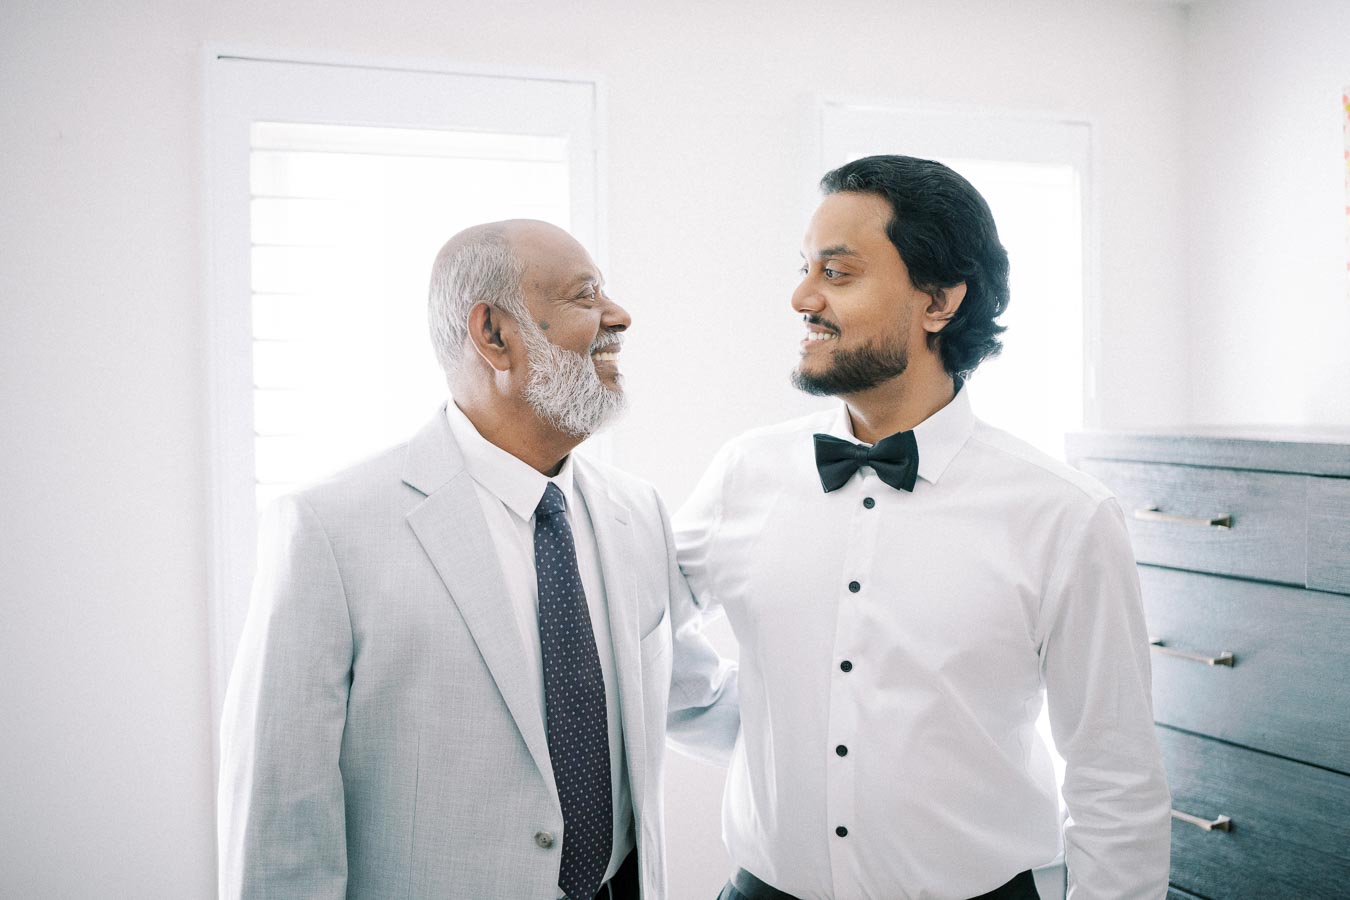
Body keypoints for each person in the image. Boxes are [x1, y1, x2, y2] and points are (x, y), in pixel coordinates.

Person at [675, 156, 1170, 900]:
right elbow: (634, 636)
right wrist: (755, 733)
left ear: (937, 301)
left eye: (837, 273)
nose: (802, 296)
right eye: (806, 268)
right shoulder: (744, 473)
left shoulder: (1065, 515)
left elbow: (1115, 775)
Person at [218, 219, 738, 900]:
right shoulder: (329, 530)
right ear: (493, 334)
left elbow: (691, 694)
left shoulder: (636, 512)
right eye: (586, 296)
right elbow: (279, 817)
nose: (619, 315)